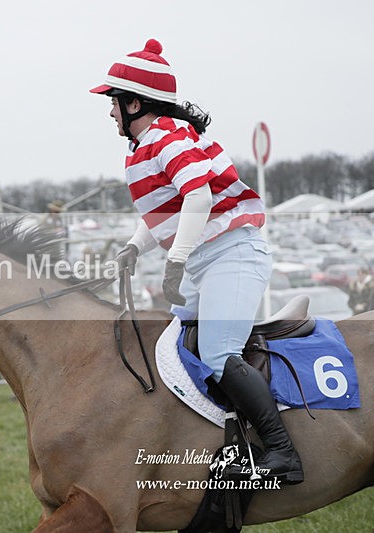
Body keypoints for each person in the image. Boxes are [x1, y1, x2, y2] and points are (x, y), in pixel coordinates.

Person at [90, 39, 302, 484]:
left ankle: (283, 453)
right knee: (174, 348)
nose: (110, 112)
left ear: (134, 102)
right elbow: (165, 215)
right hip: (209, 261)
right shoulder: (145, 145)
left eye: (113, 102)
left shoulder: (168, 135)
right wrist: (133, 246)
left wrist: (176, 261)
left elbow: (199, 196)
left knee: (218, 352)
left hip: (233, 253)